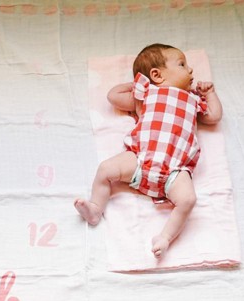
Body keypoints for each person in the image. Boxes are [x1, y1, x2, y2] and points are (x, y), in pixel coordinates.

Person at [74, 43, 223, 258]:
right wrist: (138, 83)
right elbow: (113, 96)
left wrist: (210, 94)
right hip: (140, 159)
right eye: (182, 64)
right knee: (105, 169)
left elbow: (214, 116)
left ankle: (165, 237)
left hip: (175, 170)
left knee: (188, 200)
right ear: (156, 75)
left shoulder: (193, 99)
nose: (191, 70)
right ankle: (96, 207)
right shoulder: (147, 94)